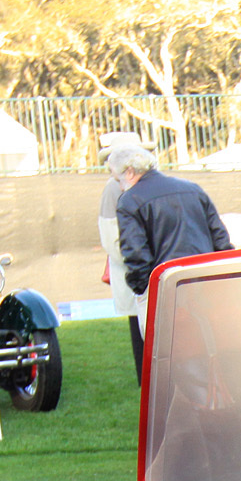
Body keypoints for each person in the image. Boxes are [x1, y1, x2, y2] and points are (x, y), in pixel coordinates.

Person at [112, 144, 234, 384]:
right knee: (213, 351)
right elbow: (221, 240)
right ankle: (216, 400)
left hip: (166, 288)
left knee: (169, 362)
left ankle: (189, 405)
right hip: (205, 282)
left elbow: (136, 254)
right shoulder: (192, 189)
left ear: (128, 172)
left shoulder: (129, 201)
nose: (117, 185)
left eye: (116, 178)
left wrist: (142, 289)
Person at [97, 131, 146, 342]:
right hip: (135, 277)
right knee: (141, 338)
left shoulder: (141, 184)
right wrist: (140, 268)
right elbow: (112, 240)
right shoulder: (112, 189)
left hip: (142, 275)